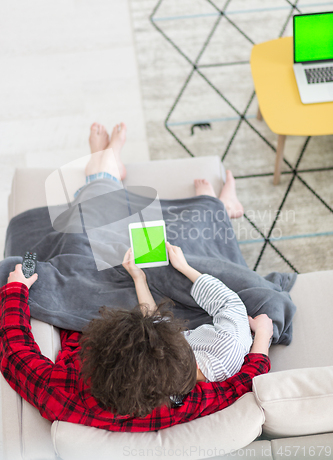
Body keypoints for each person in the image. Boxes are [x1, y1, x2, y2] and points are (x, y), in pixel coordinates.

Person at [0, 122, 273, 432]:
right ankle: (213, 207)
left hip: (89, 293)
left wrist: (15, 291)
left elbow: (15, 351)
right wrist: (262, 337)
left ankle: (104, 170)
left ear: (95, 355)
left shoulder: (65, 394)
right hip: (159, 290)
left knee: (53, 247)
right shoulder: (184, 401)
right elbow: (243, 382)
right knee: (183, 248)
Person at [122, 243, 259, 385]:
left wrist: (139, 278)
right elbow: (229, 303)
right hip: (229, 321)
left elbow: (156, 329)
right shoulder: (229, 344)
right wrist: (184, 267)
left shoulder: (162, 377)